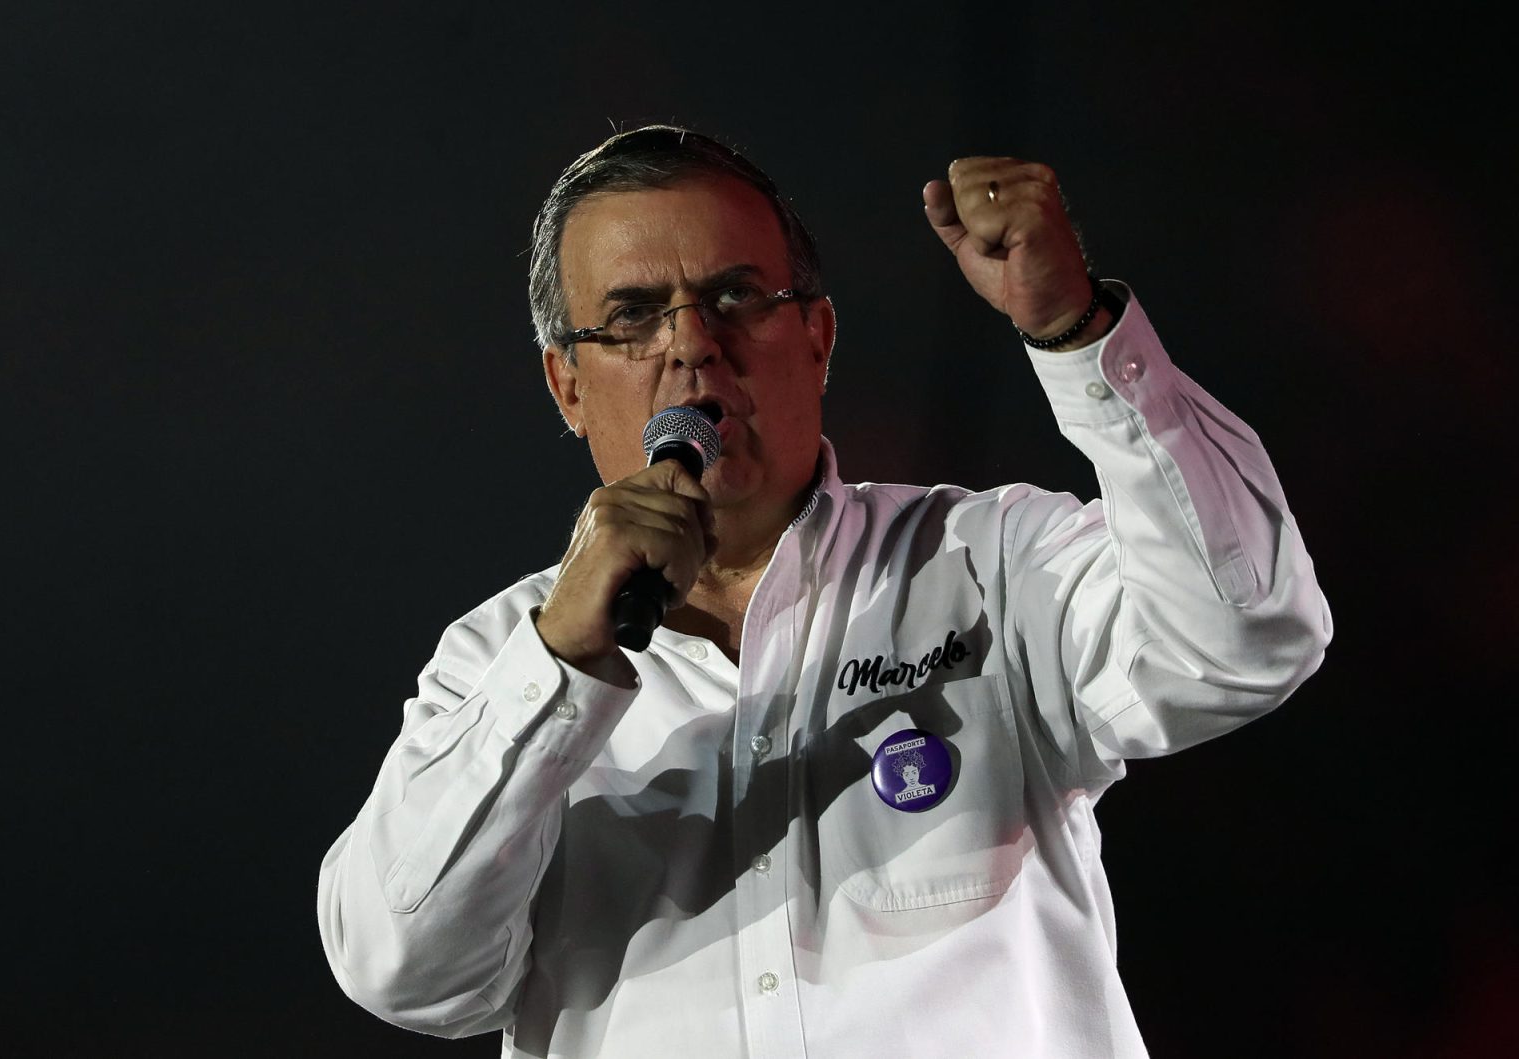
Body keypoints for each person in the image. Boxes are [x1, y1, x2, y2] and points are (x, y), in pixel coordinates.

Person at [317, 125, 1332, 1058]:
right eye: (632, 318)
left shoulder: (988, 564)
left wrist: (1077, 330)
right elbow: (408, 974)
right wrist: (557, 668)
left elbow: (1246, 638)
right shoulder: (497, 656)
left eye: (734, 297)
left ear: (818, 337)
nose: (691, 345)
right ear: (566, 384)